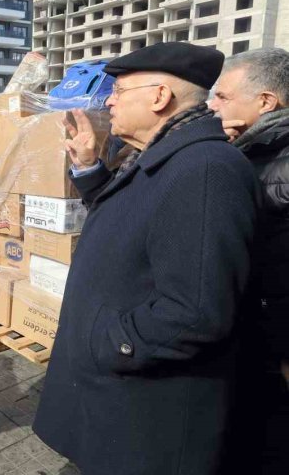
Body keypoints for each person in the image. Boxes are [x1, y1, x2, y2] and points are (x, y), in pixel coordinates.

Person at [32, 42, 259, 475]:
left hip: (146, 412)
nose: (109, 100)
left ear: (159, 97)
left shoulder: (205, 169)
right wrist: (89, 167)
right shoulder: (165, 154)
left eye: (119, 90)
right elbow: (131, 216)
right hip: (122, 392)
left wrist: (106, 340)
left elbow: (196, 313)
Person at [209, 47, 289, 473]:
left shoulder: (278, 157)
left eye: (223, 96)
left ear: (266, 102)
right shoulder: (250, 148)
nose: (212, 105)